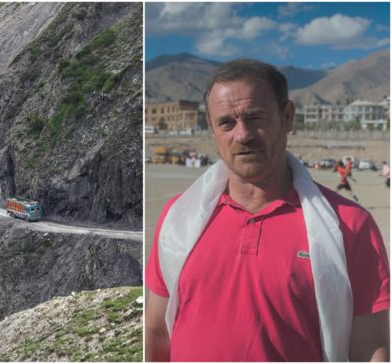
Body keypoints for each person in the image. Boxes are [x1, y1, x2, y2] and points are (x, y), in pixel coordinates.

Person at [145, 59, 389, 362]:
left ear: (287, 118)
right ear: (212, 129)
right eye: (227, 123)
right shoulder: (178, 219)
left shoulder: (350, 225)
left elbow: (369, 348)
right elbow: (156, 334)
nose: (243, 134)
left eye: (255, 117)